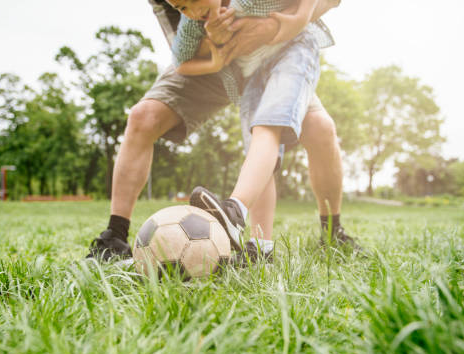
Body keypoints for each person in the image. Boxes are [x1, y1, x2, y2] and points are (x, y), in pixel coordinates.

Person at [86, 0, 357, 262]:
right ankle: (115, 237)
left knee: (318, 128)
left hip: (275, 50)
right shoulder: (190, 15)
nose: (188, 10)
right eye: (182, 6)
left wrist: (285, 24)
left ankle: (331, 233)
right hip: (216, 60)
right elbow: (183, 52)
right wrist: (215, 43)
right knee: (143, 117)